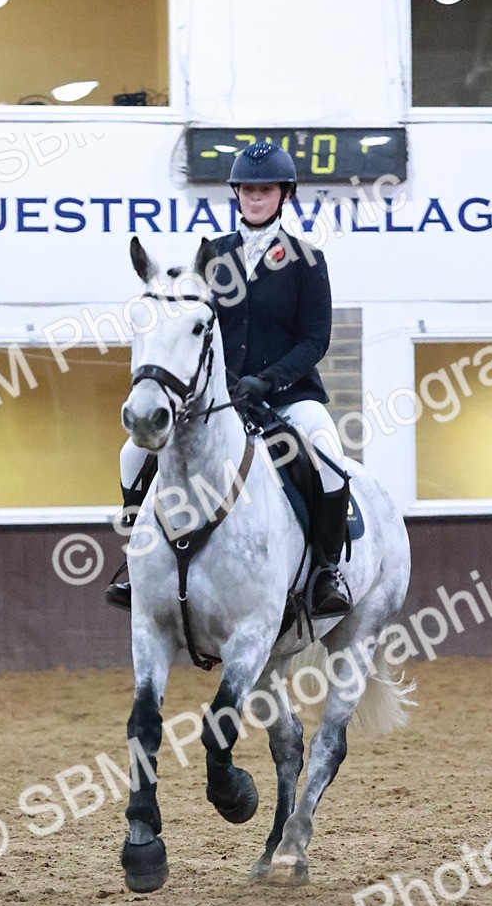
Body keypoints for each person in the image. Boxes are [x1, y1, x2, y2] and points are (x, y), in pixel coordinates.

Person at [106, 140, 352, 618]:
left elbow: (314, 340)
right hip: (221, 401)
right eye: (246, 190)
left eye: (265, 190)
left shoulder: (307, 260)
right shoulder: (210, 257)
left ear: (284, 196)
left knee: (327, 455)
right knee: (133, 452)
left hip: (289, 398)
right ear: (236, 194)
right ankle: (139, 563)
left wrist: (268, 381)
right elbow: (190, 326)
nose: (255, 198)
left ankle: (326, 570)